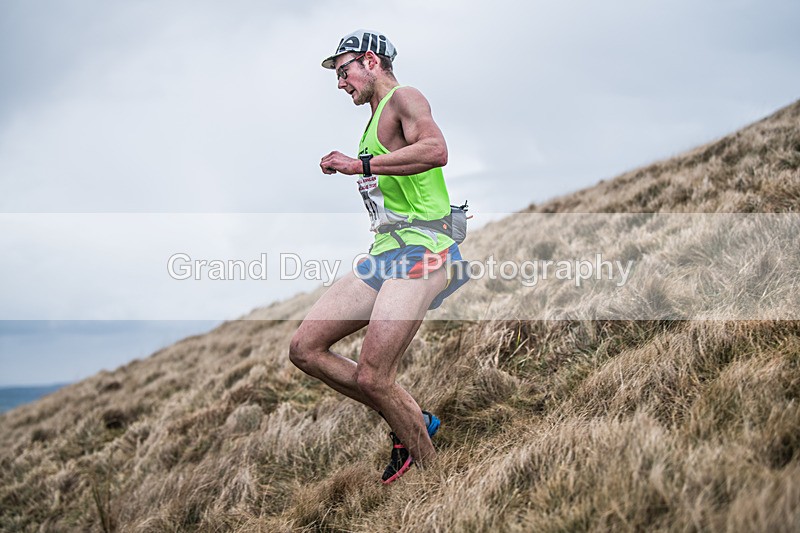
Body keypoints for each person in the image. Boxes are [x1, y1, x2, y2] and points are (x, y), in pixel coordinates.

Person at [289, 29, 469, 484]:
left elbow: (436, 150)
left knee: (373, 376)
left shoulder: (405, 98)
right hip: (386, 252)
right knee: (304, 349)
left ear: (370, 61)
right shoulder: (372, 120)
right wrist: (359, 163)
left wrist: (358, 165)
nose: (340, 82)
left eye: (344, 70)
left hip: (425, 249)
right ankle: (411, 417)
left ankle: (433, 477)